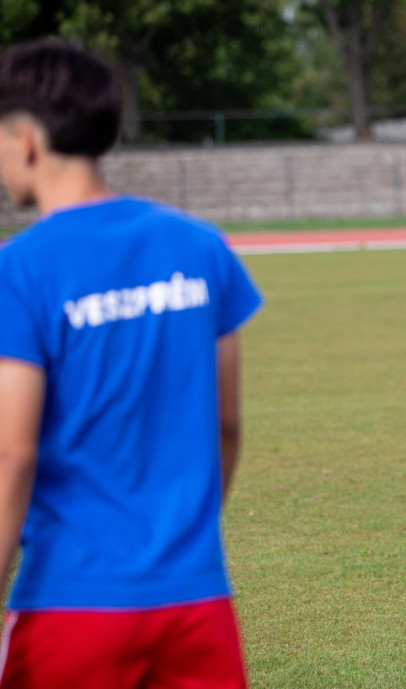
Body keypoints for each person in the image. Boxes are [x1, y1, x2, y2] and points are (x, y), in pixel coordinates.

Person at [0, 39, 262, 687]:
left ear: (27, 140)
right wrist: (178, 536)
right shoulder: (201, 247)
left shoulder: (19, 268)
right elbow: (227, 424)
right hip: (197, 604)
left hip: (71, 605)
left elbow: (13, 453)